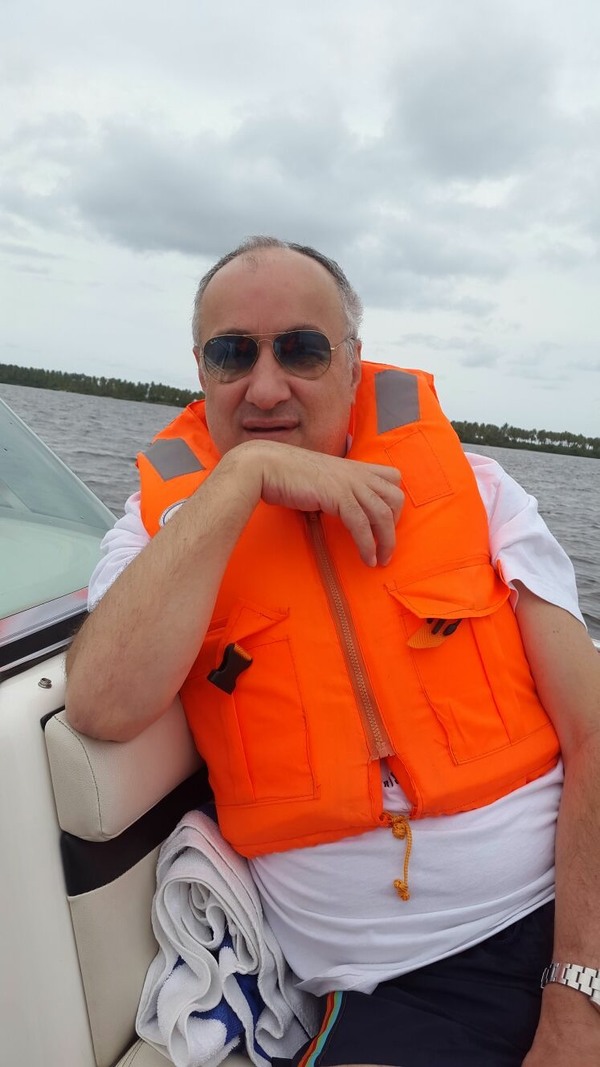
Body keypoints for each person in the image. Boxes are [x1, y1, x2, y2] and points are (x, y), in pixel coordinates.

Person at [66, 236, 600, 1067]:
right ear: (200, 371)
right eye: (232, 354)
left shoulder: (481, 491)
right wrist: (243, 478)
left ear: (352, 364)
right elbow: (101, 702)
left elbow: (593, 729)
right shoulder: (159, 531)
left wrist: (576, 998)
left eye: (302, 350)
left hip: (570, 909)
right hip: (394, 988)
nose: (265, 386)